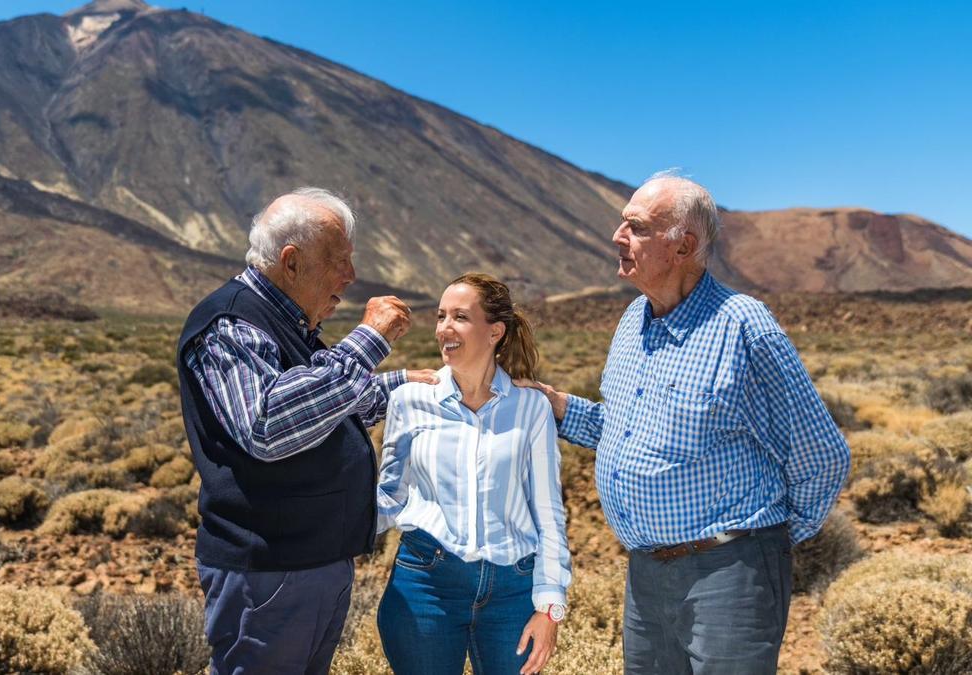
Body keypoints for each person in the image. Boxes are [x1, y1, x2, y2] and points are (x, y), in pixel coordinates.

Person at [517, 172, 850, 674]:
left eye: (637, 226)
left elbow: (821, 454)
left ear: (683, 245)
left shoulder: (742, 326)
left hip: (729, 574)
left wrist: (768, 545)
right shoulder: (633, 320)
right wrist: (555, 404)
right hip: (646, 571)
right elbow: (624, 430)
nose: (617, 236)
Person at [177, 187, 436, 674]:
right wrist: (370, 340)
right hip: (270, 567)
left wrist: (406, 385)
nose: (351, 276)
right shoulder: (231, 323)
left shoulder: (290, 323)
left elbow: (331, 405)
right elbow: (270, 424)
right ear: (291, 262)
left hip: (311, 558)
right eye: (338, 260)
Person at [376, 273, 572, 675]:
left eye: (460, 317)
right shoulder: (410, 401)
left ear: (495, 331)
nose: (444, 328)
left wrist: (550, 606)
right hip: (425, 584)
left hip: (513, 590)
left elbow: (549, 512)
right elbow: (389, 496)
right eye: (441, 315)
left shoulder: (530, 407)